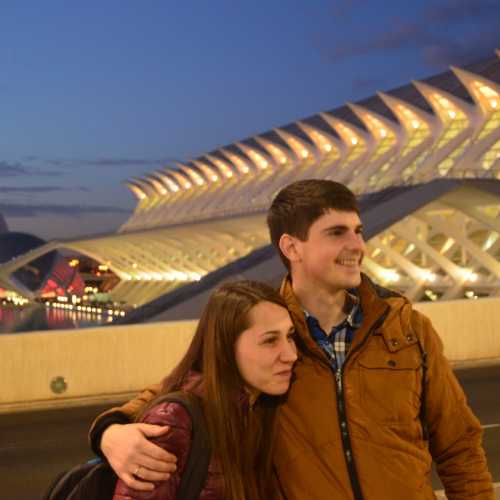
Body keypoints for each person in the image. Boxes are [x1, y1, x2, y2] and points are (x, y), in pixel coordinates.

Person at [90, 179, 494, 499]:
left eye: (358, 230)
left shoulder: (406, 329)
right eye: (336, 233)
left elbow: (458, 444)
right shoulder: (269, 335)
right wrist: (110, 432)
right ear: (291, 247)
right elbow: (185, 386)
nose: (357, 245)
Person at [112, 280, 297, 499]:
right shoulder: (174, 421)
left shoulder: (256, 410)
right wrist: (108, 430)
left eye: (290, 336)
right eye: (270, 340)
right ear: (226, 346)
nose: (291, 355)